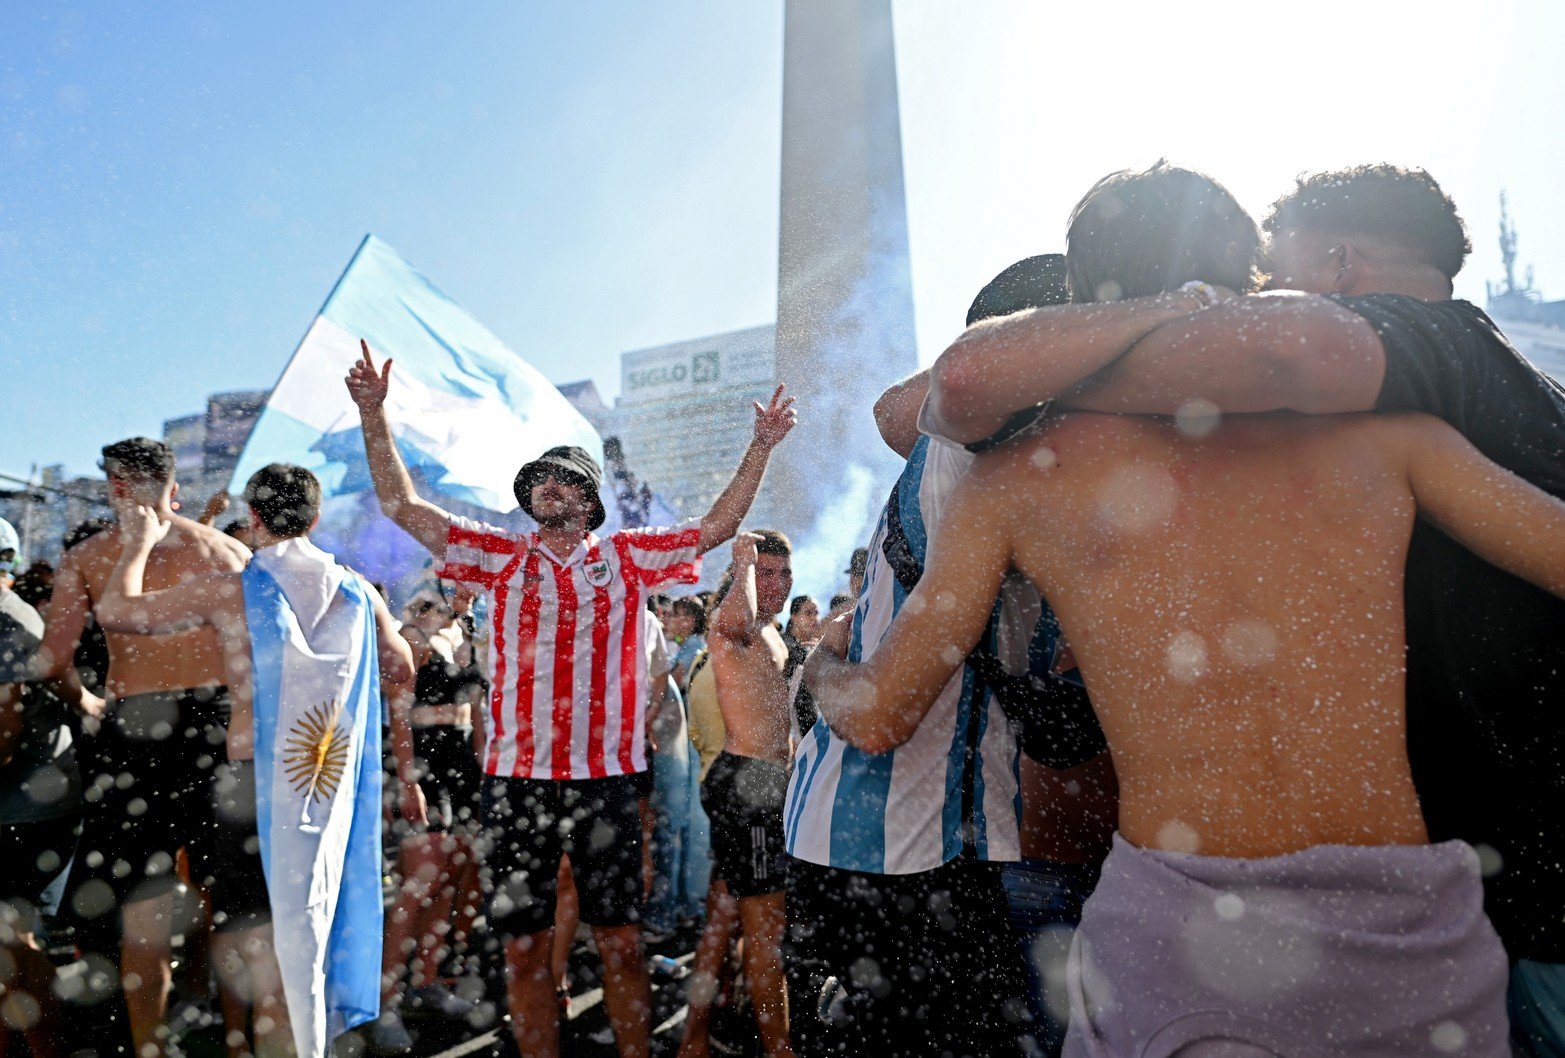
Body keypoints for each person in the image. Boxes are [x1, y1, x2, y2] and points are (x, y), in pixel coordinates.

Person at [806, 164, 1565, 1056]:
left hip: (1172, 944)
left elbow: (880, 713)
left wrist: (820, 671)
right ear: (1248, 280)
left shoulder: (1017, 482)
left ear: (1083, 299)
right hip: (1408, 938)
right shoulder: (1388, 439)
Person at [344, 341, 795, 1058]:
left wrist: (760, 446)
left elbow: (713, 530)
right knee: (523, 954)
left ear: (588, 501)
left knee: (619, 944)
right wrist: (373, 413)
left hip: (606, 786)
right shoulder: (497, 556)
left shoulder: (626, 557)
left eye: (566, 481)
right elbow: (401, 504)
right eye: (540, 481)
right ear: (529, 499)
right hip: (515, 786)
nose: (550, 487)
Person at [783, 256, 1097, 1058]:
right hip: (905, 844)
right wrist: (816, 670)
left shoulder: (1002, 453)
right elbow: (883, 715)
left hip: (919, 837)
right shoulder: (973, 461)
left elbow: (889, 408)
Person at [93, 463, 423, 1058]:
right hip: (328, 782)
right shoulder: (357, 588)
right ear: (316, 518)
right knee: (316, 930)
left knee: (268, 955)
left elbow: (119, 611)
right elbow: (402, 665)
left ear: (254, 517)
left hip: (254, 789)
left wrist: (138, 544)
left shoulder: (232, 587)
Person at [31, 438, 251, 1058]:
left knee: (144, 908)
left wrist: (89, 702)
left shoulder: (88, 556)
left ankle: (149, 1045)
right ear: (170, 485)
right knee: (230, 898)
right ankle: (235, 1041)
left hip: (134, 731)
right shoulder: (226, 550)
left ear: (116, 487)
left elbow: (52, 662)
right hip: (217, 726)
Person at [680, 531, 797, 1058]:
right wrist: (744, 561)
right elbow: (732, 619)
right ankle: (778, 1051)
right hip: (749, 786)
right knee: (765, 930)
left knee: (726, 919)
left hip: (759, 783)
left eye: (783, 573)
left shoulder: (771, 634)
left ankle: (694, 1039)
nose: (777, 584)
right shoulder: (736, 628)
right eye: (765, 574)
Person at [374, 586, 486, 1050]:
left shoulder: (465, 635)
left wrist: (482, 767)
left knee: (448, 877)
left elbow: (475, 709)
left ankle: (428, 981)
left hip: (462, 767)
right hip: (423, 762)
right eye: (457, 587)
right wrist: (407, 780)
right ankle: (382, 1003)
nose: (467, 593)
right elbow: (398, 710)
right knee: (417, 882)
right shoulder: (413, 636)